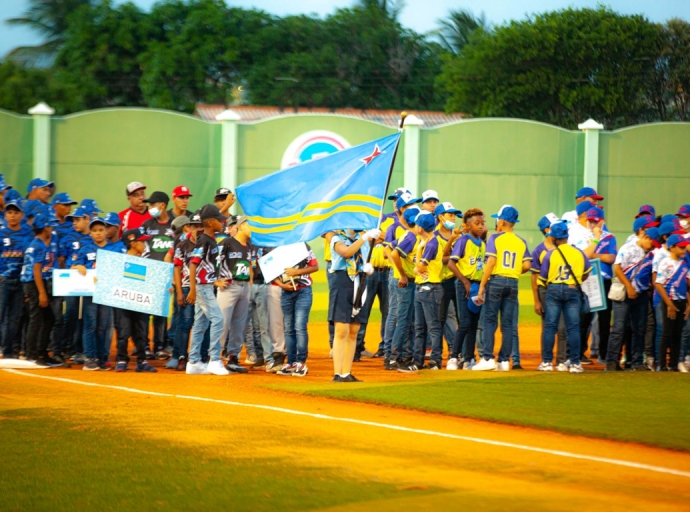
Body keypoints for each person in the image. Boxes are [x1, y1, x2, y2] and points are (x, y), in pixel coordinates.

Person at [474, 205, 531, 371]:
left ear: (502, 221)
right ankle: (504, 361)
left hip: (496, 281)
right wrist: (512, 271)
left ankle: (487, 358)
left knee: (489, 321)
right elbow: (527, 265)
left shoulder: (495, 239)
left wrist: (482, 286)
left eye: (498, 219)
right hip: (513, 282)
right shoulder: (521, 241)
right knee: (507, 324)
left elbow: (491, 262)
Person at [537, 221, 591, 373]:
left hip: (553, 289)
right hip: (572, 289)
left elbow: (542, 279)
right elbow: (587, 272)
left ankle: (547, 363)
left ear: (553, 237)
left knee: (550, 327)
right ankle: (574, 364)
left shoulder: (550, 254)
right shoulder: (578, 252)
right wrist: (576, 282)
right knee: (573, 328)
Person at [605, 219, 658, 371]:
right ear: (646, 238)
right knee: (619, 328)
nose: (653, 247)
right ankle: (611, 361)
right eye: (652, 244)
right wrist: (629, 287)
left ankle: (636, 362)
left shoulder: (651, 254)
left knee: (639, 329)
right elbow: (617, 268)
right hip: (624, 293)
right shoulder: (628, 248)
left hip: (640, 295)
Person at [329, 227, 379, 382]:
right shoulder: (337, 238)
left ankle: (346, 372)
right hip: (343, 281)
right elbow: (346, 252)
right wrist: (364, 239)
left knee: (354, 329)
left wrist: (366, 268)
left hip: (359, 282)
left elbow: (362, 259)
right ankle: (338, 373)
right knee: (341, 329)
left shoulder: (364, 240)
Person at [186, 204, 230, 376]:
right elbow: (193, 264)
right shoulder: (204, 240)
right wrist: (192, 289)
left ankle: (194, 362)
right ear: (211, 222)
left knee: (200, 323)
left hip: (206, 286)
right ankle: (214, 360)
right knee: (218, 319)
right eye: (219, 220)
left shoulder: (210, 240)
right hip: (202, 288)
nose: (222, 222)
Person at [447, 208, 486, 370]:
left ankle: (468, 359)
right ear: (467, 225)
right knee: (464, 323)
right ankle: (453, 358)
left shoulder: (482, 244)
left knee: (473, 323)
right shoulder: (464, 241)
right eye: (476, 223)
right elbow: (451, 262)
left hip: (477, 286)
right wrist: (464, 282)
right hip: (465, 285)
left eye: (482, 223)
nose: (480, 226)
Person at [114, 229, 158, 373]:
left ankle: (142, 361)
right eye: (142, 241)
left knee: (142, 332)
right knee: (124, 332)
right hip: (123, 303)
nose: (145, 244)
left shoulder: (146, 263)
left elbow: (152, 283)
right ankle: (122, 360)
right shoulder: (119, 262)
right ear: (133, 244)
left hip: (140, 303)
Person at [530, 213, 570, 370]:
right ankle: (546, 360)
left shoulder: (565, 248)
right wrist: (537, 300)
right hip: (545, 291)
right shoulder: (539, 251)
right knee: (548, 326)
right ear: (547, 229)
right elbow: (534, 278)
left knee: (562, 327)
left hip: (562, 289)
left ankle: (561, 361)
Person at [20, 211, 59, 368]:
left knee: (48, 318)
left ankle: (41, 352)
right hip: (35, 283)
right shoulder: (39, 245)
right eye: (49, 225)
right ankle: (32, 354)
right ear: (44, 228)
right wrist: (42, 293)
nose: (51, 228)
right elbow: (36, 270)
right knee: (37, 319)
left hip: (33, 283)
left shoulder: (35, 243)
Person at [407, 211, 444, 372]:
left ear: (421, 228)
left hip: (430, 288)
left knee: (432, 327)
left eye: (417, 224)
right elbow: (418, 267)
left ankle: (435, 361)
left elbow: (419, 268)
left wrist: (420, 251)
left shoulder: (431, 244)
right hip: (423, 287)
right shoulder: (428, 243)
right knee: (420, 328)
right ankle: (418, 361)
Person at [274, 242, 319, 377]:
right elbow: (270, 270)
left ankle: (300, 362)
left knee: (299, 326)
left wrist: (297, 272)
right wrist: (282, 285)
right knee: (288, 327)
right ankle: (290, 362)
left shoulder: (304, 246)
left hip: (303, 290)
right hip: (286, 292)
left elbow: (315, 266)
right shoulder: (278, 246)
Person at [141, 191, 175, 359]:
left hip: (167, 275)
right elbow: (139, 248)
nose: (150, 208)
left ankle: (160, 346)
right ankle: (146, 345)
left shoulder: (173, 227)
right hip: (148, 274)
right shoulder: (147, 225)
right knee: (146, 311)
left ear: (162, 205)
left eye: (152, 204)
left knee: (161, 312)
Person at [217, 216, 253, 373]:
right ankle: (214, 358)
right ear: (242, 226)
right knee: (222, 323)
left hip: (244, 288)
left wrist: (249, 286)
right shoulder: (226, 243)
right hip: (228, 287)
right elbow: (212, 261)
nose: (253, 229)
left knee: (239, 325)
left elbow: (250, 266)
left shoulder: (249, 246)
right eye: (250, 225)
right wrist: (215, 281)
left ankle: (233, 357)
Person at [389, 206, 422, 371]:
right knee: (403, 321)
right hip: (405, 283)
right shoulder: (411, 237)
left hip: (408, 282)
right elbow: (394, 254)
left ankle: (403, 355)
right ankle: (394, 358)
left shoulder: (408, 235)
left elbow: (389, 248)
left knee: (407, 321)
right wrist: (401, 274)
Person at [0, 201, 32, 359]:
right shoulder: (1, 233)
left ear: (22, 215)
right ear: (5, 215)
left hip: (20, 282)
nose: (12, 215)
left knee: (14, 318)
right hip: (3, 280)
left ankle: (8, 350)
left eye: (16, 212)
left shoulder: (27, 234)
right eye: (9, 212)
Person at [586, 207, 617, 364]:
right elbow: (582, 256)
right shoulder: (583, 236)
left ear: (602, 221)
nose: (592, 224)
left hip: (604, 280)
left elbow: (611, 258)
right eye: (590, 221)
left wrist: (594, 254)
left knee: (604, 320)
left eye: (595, 221)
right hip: (587, 280)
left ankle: (602, 353)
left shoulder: (610, 237)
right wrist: (600, 256)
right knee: (584, 317)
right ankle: (579, 353)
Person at [654, 234, 689, 371]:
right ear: (672, 248)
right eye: (681, 248)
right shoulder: (665, 263)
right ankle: (661, 365)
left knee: (677, 334)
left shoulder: (685, 263)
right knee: (666, 333)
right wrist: (669, 304)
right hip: (669, 301)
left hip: (681, 301)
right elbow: (659, 284)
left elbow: (686, 285)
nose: (684, 250)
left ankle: (673, 364)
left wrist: (689, 304)